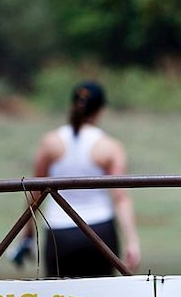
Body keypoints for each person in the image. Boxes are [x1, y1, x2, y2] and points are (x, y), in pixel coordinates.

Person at [13, 80, 141, 277]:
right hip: (100, 232)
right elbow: (120, 197)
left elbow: (35, 191)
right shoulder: (110, 146)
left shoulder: (51, 142)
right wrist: (132, 241)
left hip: (59, 233)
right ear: (100, 110)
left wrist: (28, 230)